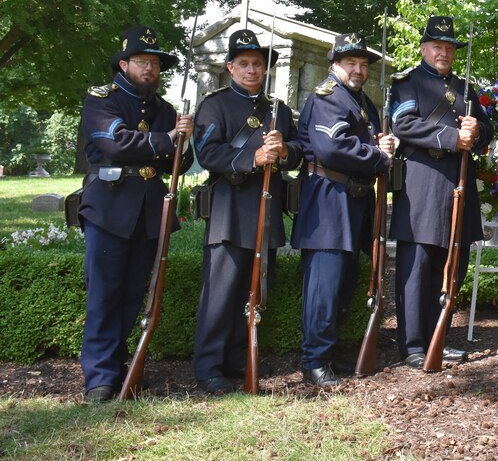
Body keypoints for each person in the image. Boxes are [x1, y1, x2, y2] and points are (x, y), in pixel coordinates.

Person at [77, 25, 193, 402]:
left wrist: (185, 139)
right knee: (104, 295)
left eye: (156, 63)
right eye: (142, 61)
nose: (150, 69)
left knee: (131, 296)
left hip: (147, 212)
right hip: (109, 207)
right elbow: (114, 143)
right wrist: (168, 140)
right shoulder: (102, 100)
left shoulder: (166, 110)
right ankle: (98, 378)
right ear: (124, 63)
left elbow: (182, 162)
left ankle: (120, 367)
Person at [191, 29, 303, 394]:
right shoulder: (215, 105)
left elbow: (302, 149)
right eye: (244, 64)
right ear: (231, 67)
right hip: (229, 209)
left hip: (266, 209)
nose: (252, 70)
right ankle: (209, 365)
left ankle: (240, 358)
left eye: (258, 64)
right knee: (221, 292)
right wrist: (252, 157)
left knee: (253, 292)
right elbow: (208, 154)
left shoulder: (278, 110)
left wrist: (285, 150)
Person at [389, 16, 494, 369]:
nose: (444, 53)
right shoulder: (407, 83)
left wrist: (477, 129)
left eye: (449, 48)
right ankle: (414, 346)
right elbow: (402, 124)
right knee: (417, 266)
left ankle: (439, 336)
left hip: (458, 186)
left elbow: (485, 131)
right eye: (438, 46)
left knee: (453, 266)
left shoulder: (466, 90)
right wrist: (452, 137)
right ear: (423, 49)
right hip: (421, 184)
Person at [293, 32, 395, 387]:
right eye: (350, 63)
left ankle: (329, 352)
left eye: (363, 64)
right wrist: (379, 157)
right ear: (335, 64)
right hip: (328, 201)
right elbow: (332, 148)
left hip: (353, 201)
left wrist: (383, 144)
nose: (358, 69)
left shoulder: (361, 101)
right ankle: (314, 360)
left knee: (344, 283)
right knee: (324, 285)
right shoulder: (328, 97)